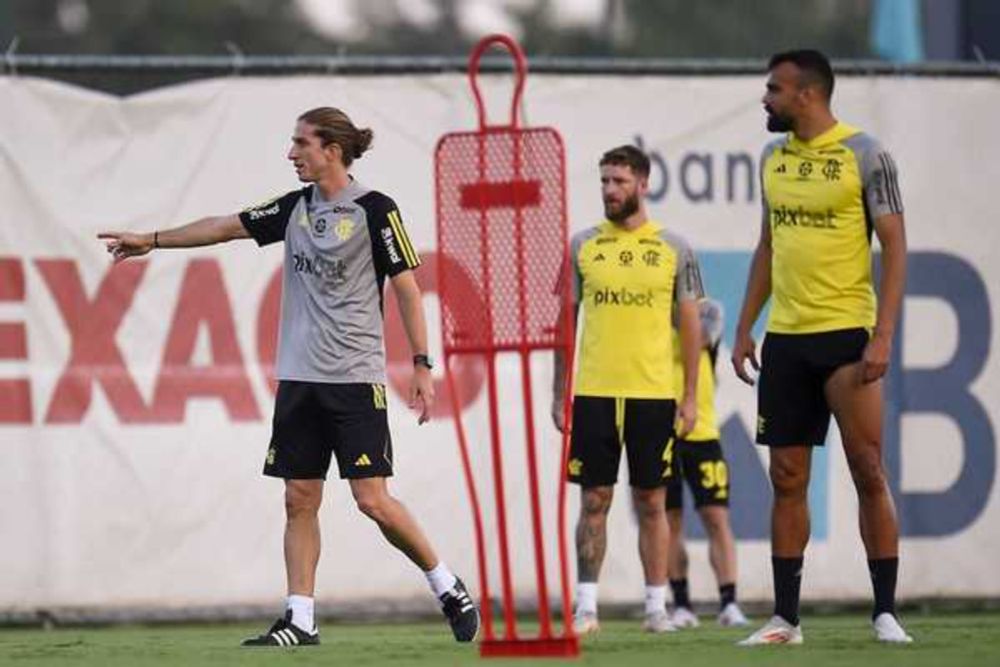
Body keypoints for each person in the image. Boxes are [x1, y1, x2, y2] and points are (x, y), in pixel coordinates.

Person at [98, 107, 479, 647]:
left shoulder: (376, 210)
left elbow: (408, 289)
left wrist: (422, 364)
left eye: (302, 142)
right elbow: (226, 226)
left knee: (372, 500)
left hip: (354, 380)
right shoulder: (294, 208)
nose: (291, 152)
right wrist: (152, 240)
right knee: (299, 497)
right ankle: (300, 617)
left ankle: (447, 586)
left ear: (333, 150)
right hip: (299, 381)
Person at [730, 50, 911, 645]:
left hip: (846, 338)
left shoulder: (865, 154)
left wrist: (882, 335)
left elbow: (895, 246)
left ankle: (885, 611)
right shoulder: (772, 158)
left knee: (867, 470)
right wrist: (744, 326)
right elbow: (766, 247)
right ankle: (786, 619)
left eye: (774, 89)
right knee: (787, 477)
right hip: (786, 338)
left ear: (807, 94)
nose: (765, 98)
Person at [552, 145, 704, 634]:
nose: (609, 191)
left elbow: (690, 328)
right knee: (594, 500)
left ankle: (657, 608)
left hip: (653, 394)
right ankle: (586, 608)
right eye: (603, 181)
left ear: (643, 183)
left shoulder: (675, 248)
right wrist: (560, 394)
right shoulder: (582, 245)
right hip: (595, 393)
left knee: (652, 502)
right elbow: (563, 326)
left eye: (618, 181)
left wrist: (691, 395)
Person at [664, 298, 749, 629]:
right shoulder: (655, 312)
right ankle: (682, 604)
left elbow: (699, 336)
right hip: (663, 433)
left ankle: (729, 603)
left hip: (703, 431)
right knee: (669, 522)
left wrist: (672, 315)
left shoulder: (709, 310)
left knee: (716, 517)